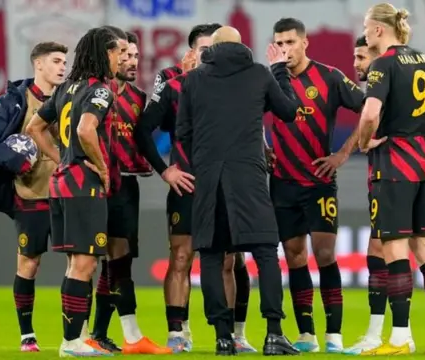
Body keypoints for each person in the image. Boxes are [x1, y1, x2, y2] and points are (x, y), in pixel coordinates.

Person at [175, 25, 299, 356]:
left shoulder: (193, 80)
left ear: (210, 49)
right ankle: (274, 334)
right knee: (264, 253)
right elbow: (289, 110)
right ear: (243, 45)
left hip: (209, 178)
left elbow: (182, 132)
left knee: (213, 256)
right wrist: (280, 70)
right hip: (249, 177)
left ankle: (222, 337)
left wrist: (204, 157)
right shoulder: (259, 73)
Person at [135, 23, 256, 354]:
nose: (211, 56)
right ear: (190, 52)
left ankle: (230, 334)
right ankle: (178, 332)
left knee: (230, 260)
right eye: (204, 50)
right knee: (182, 256)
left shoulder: (238, 82)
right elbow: (144, 129)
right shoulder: (173, 83)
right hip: (188, 182)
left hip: (229, 184)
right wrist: (165, 171)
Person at [357, 3, 425, 355]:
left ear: (377, 31)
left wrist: (363, 141)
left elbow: (371, 112)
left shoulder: (382, 65)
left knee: (395, 250)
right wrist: (421, 131)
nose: (366, 31)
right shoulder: (424, 61)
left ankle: (400, 337)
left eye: (366, 26)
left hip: (394, 168)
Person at [26, 27, 124, 357]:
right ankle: (71, 342)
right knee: (83, 265)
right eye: (115, 53)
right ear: (104, 54)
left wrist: (61, 158)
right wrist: (99, 166)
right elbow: (85, 129)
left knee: (75, 266)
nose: (119, 59)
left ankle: (76, 338)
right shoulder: (100, 90)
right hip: (85, 187)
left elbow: (34, 128)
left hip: (62, 184)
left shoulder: (67, 88)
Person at [267, 18, 364, 353]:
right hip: (282, 183)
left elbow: (369, 110)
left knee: (324, 254)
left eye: (291, 42)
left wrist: (342, 154)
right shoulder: (269, 80)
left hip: (320, 181)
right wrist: (262, 149)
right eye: (279, 43)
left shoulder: (330, 77)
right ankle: (306, 333)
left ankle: (334, 335)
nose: (285, 50)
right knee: (294, 257)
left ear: (305, 43)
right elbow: (246, 117)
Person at [0, 41, 68, 353]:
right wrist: (15, 161)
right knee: (29, 263)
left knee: (82, 262)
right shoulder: (14, 100)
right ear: (38, 65)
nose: (62, 67)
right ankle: (27, 335)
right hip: (30, 192)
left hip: (69, 192)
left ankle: (78, 336)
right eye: (56, 61)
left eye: (64, 62)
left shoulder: (71, 96)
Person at [85, 26, 170, 355]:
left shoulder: (137, 98)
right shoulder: (92, 92)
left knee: (117, 262)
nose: (133, 61)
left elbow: (137, 141)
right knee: (91, 262)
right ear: (110, 56)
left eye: (136, 56)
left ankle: (107, 335)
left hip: (124, 187)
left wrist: (144, 162)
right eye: (126, 55)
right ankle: (80, 337)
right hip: (93, 185)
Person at [342, 35, 389, 355]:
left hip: (393, 177)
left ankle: (380, 334)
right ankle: (409, 333)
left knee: (384, 252)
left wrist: (362, 142)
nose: (356, 64)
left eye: (361, 57)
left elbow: (372, 120)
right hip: (393, 175)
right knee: (403, 252)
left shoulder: (381, 87)